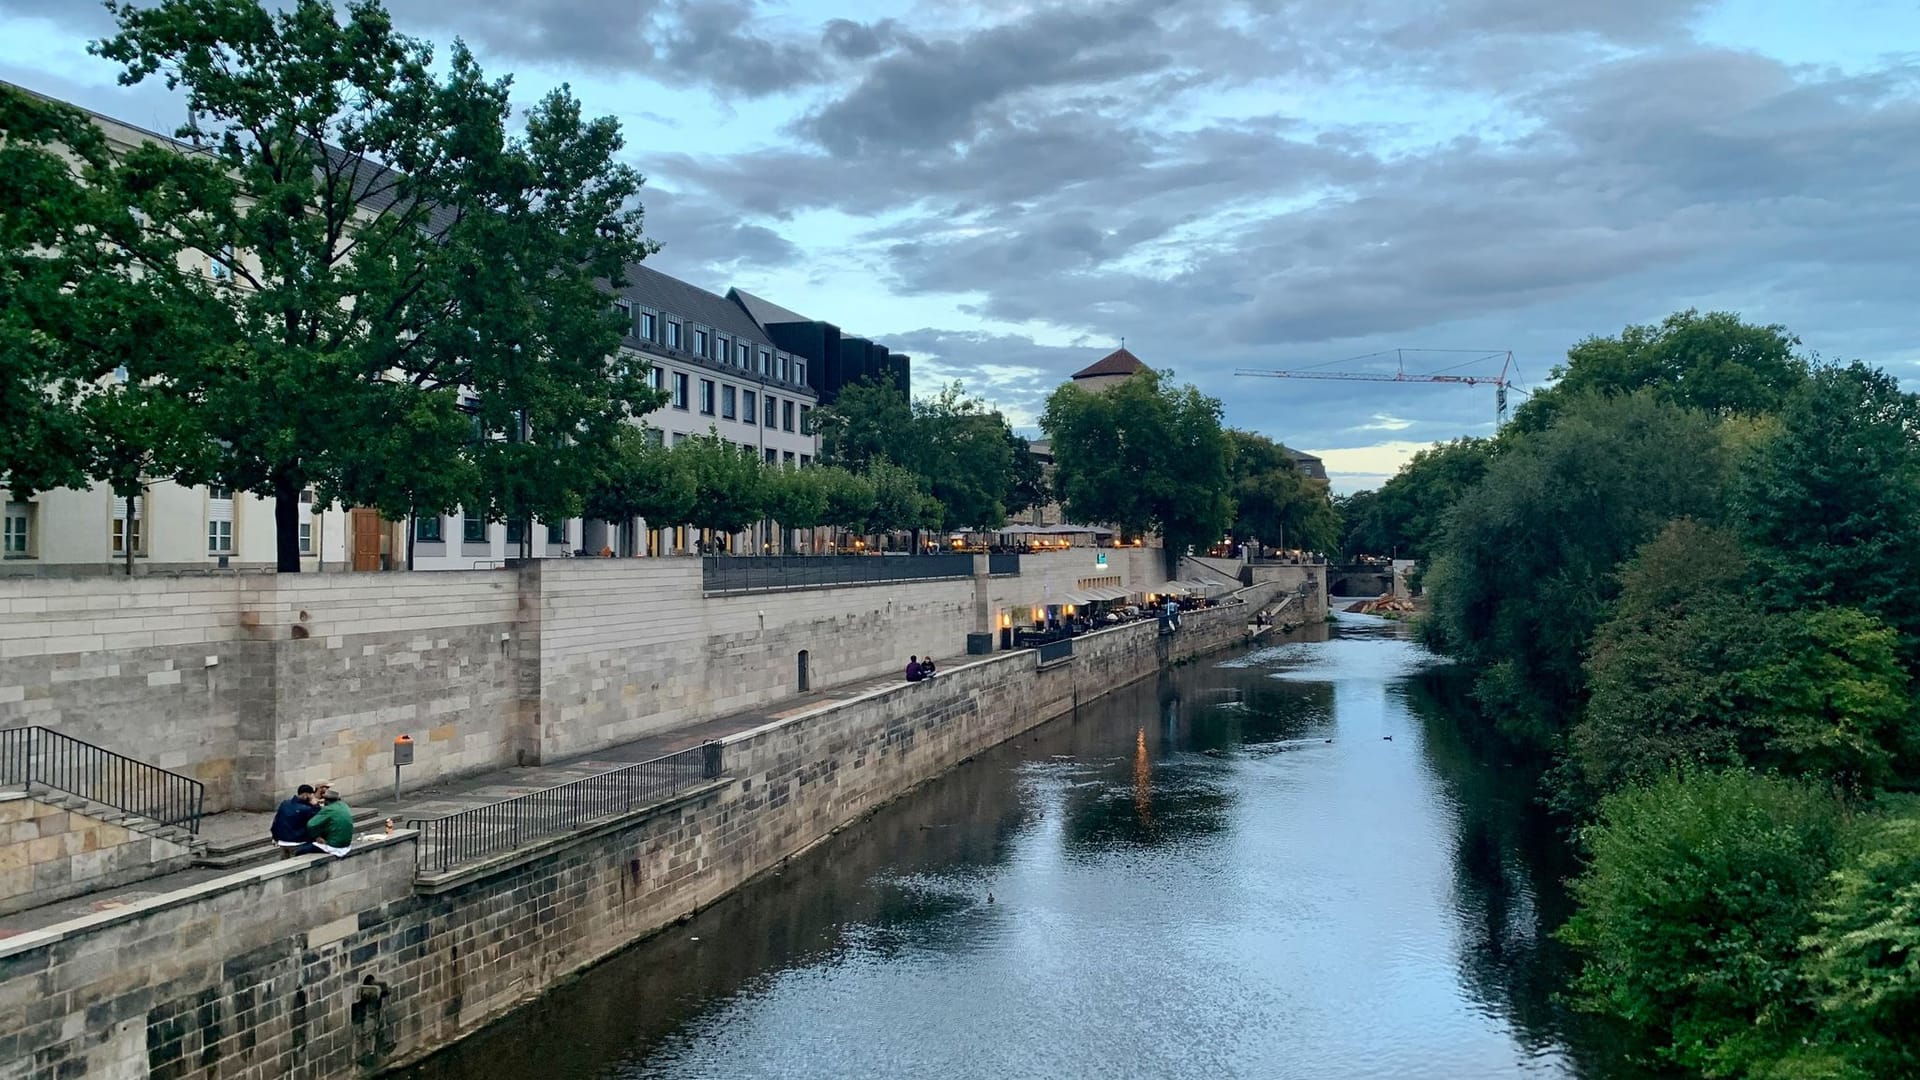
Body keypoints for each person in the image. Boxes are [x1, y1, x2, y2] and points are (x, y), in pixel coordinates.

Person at [270, 784, 318, 858]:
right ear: (306, 795)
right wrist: (316, 806)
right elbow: (317, 821)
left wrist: (275, 837)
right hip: (298, 842)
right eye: (311, 795)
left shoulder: (284, 804)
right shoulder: (307, 809)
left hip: (283, 842)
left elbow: (276, 822)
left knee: (284, 864)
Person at [306, 789, 355, 858]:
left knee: (302, 850)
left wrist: (317, 837)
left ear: (326, 800)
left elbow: (311, 824)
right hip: (346, 844)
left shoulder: (328, 809)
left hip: (334, 846)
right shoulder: (344, 805)